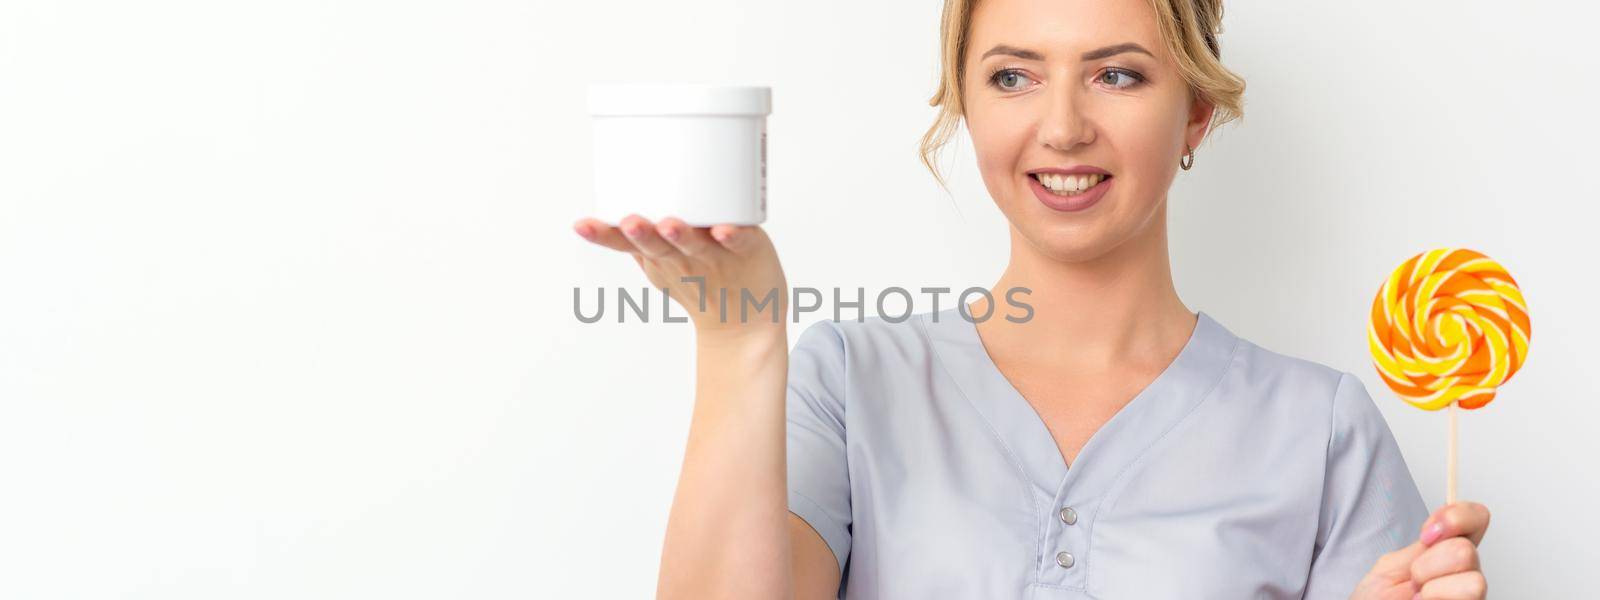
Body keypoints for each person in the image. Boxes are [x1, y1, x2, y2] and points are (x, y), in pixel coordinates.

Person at [572, 0, 1492, 597]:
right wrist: (740, 340)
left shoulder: (1319, 429)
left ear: (1196, 114)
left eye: (1118, 73)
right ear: (968, 107)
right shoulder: (849, 382)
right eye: (1013, 75)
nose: (1061, 126)